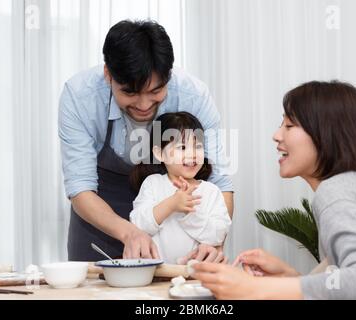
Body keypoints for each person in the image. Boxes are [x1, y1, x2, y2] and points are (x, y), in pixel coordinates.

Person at [193, 81, 356, 299]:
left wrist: (256, 289)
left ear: (326, 134)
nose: (276, 135)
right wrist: (291, 277)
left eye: (289, 125)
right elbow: (342, 282)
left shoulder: (335, 192)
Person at [58, 20, 234, 261]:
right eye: (130, 92)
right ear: (108, 74)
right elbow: (80, 188)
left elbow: (220, 182)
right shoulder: (80, 96)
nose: (143, 105)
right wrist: (130, 233)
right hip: (101, 200)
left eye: (155, 92)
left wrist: (214, 243)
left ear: (168, 76)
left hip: (178, 198)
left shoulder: (194, 96)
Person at [129, 112, 232, 264]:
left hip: (196, 277)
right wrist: (171, 204)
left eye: (198, 146)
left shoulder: (211, 191)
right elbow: (138, 225)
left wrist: (188, 213)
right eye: (182, 147)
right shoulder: (153, 184)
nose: (192, 154)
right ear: (159, 153)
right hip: (156, 273)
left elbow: (218, 235)